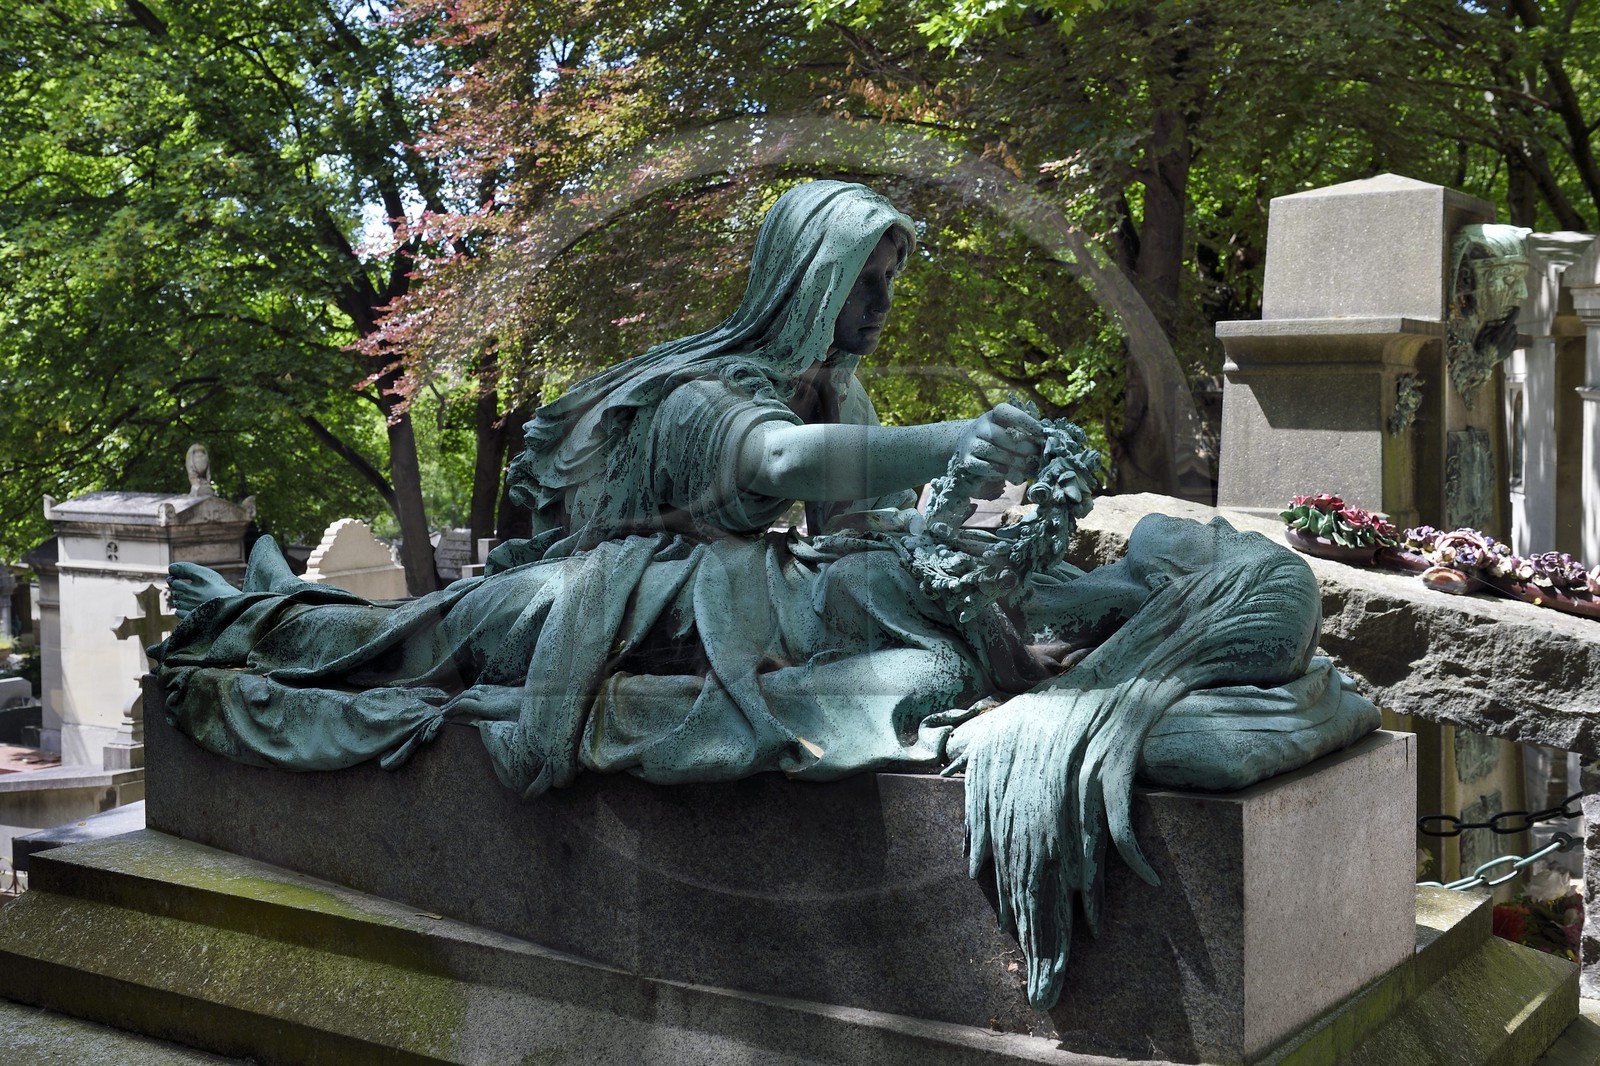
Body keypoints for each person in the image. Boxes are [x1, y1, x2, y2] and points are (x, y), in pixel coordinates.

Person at [159, 180, 1377, 1009]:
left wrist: (968, 542)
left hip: (728, 616)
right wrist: (956, 442)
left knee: (419, 646)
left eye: (888, 287)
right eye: (866, 285)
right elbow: (774, 470)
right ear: (807, 276)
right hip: (618, 600)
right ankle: (247, 614)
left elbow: (864, 526)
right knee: (413, 646)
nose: (882, 310)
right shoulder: (705, 391)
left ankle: (267, 613)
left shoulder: (839, 396)